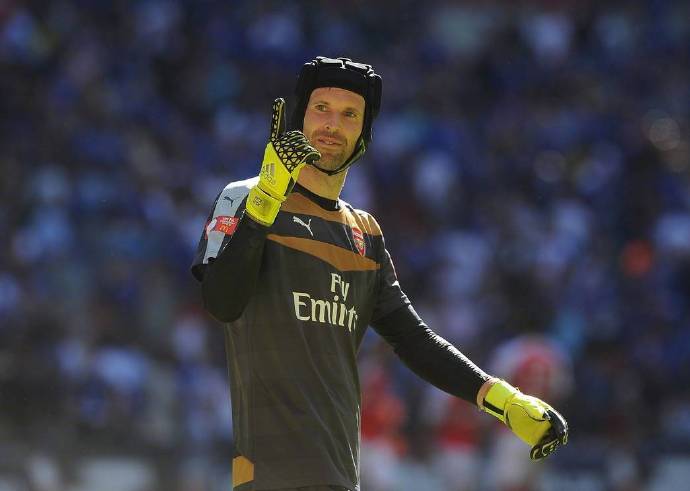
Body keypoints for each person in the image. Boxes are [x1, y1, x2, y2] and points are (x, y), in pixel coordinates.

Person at [191, 56, 568, 491]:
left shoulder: (365, 233)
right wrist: (266, 200)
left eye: (349, 114)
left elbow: (411, 338)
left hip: (340, 475)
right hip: (267, 476)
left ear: (364, 135)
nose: (333, 125)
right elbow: (222, 302)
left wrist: (504, 400)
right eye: (321, 109)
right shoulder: (243, 197)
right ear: (298, 119)